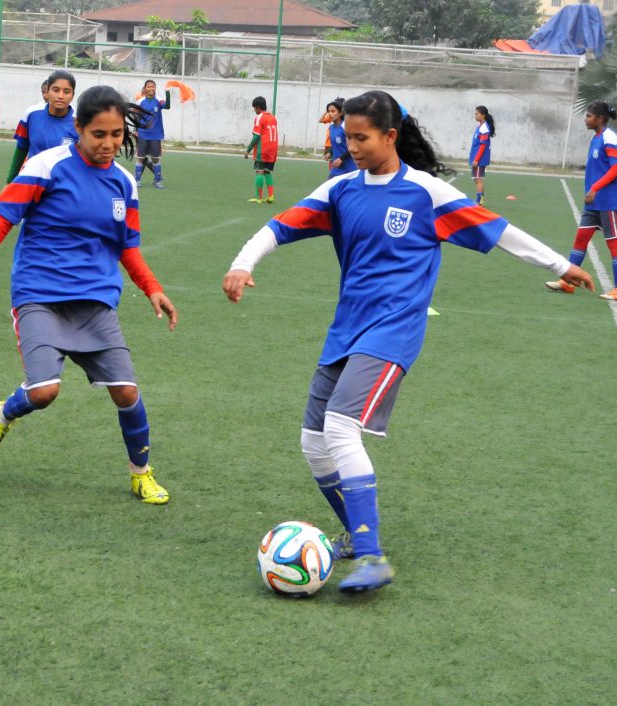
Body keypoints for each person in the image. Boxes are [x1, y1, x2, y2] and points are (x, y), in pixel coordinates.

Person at [222, 90, 593, 593]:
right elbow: (280, 225)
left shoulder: (426, 193)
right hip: (346, 330)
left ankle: (372, 557)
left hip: (394, 330)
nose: (351, 145)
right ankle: (357, 535)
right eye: (347, 136)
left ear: (390, 136)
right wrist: (243, 265)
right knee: (313, 444)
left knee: (338, 427)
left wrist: (560, 264)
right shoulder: (340, 190)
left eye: (361, 137)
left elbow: (498, 230)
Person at [0, 85, 177, 505]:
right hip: (39, 297)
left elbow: (128, 247)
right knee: (45, 391)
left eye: (117, 134)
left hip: (95, 304)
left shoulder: (123, 183)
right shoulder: (47, 166)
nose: (109, 144)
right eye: (99, 134)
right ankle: (3, 414)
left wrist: (153, 289)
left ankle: (141, 474)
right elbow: (0, 224)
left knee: (127, 392)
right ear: (79, 128)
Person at [546, 101, 617, 301]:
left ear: (599, 118)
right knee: (581, 238)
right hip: (594, 202)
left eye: (589, 116)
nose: (586, 119)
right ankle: (568, 282)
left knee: (614, 243)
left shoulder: (610, 138)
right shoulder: (596, 138)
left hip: (608, 200)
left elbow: (616, 168)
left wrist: (595, 188)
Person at [7, 70, 78, 183]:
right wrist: (10, 182)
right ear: (47, 91)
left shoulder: (80, 121)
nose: (61, 96)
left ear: (73, 95)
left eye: (67, 91)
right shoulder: (32, 114)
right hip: (32, 181)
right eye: (56, 90)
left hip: (63, 186)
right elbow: (21, 148)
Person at [134, 79, 169, 188]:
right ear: (145, 89)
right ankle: (137, 181)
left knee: (155, 158)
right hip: (143, 133)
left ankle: (158, 181)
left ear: (155, 88)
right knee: (140, 157)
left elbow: (167, 106)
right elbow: (136, 116)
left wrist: (167, 93)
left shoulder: (159, 100)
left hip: (155, 134)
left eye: (153, 86)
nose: (151, 88)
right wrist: (135, 130)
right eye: (149, 86)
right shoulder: (140, 101)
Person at [244, 96, 278, 203]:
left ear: (258, 107)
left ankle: (258, 197)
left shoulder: (259, 117)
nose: (254, 110)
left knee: (259, 171)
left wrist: (248, 149)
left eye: (254, 107)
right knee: (267, 172)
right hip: (273, 148)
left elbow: (256, 136)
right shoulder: (273, 117)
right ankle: (271, 196)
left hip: (263, 148)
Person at [323, 97, 356, 178]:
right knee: (331, 187)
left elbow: (354, 145)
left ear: (340, 113)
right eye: (328, 112)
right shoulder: (331, 127)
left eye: (333, 111)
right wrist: (330, 153)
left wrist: (341, 158)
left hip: (350, 167)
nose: (330, 114)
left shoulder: (345, 126)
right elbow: (336, 145)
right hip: (337, 167)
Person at [469, 105, 495, 205]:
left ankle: (479, 201)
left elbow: (482, 146)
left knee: (478, 179)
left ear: (483, 115)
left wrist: (476, 160)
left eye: (477, 114)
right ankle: (481, 200)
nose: (475, 116)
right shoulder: (480, 127)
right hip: (476, 158)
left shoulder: (484, 128)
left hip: (479, 159)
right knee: (476, 179)